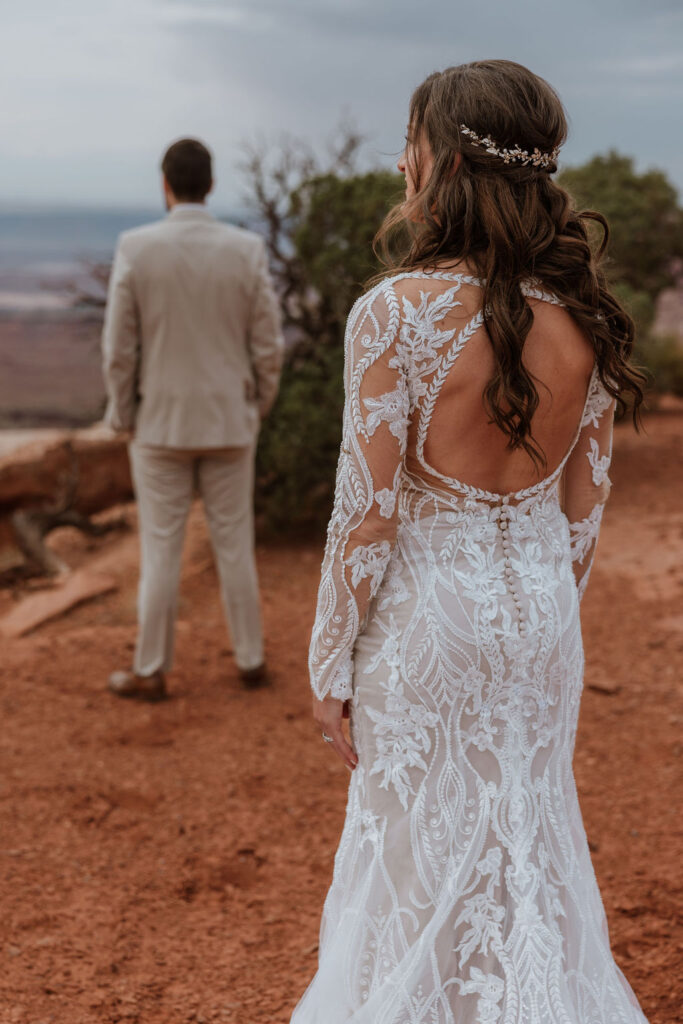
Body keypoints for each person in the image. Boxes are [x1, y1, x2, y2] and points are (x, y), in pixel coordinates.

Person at [292, 61, 649, 1023]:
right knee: (526, 848)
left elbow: (365, 514)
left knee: (411, 864)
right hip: (538, 624)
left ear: (441, 162)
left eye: (408, 143)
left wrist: (329, 660)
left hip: (424, 631)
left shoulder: (396, 312)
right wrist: (535, 615)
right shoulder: (585, 313)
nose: (400, 164)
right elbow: (584, 509)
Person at [102, 137, 284, 701]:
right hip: (230, 421)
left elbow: (118, 350)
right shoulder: (246, 250)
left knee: (161, 549)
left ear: (165, 183)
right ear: (210, 184)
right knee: (236, 544)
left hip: (159, 425)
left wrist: (123, 413)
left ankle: (151, 668)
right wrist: (257, 406)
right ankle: (251, 661)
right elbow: (269, 346)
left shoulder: (135, 247)